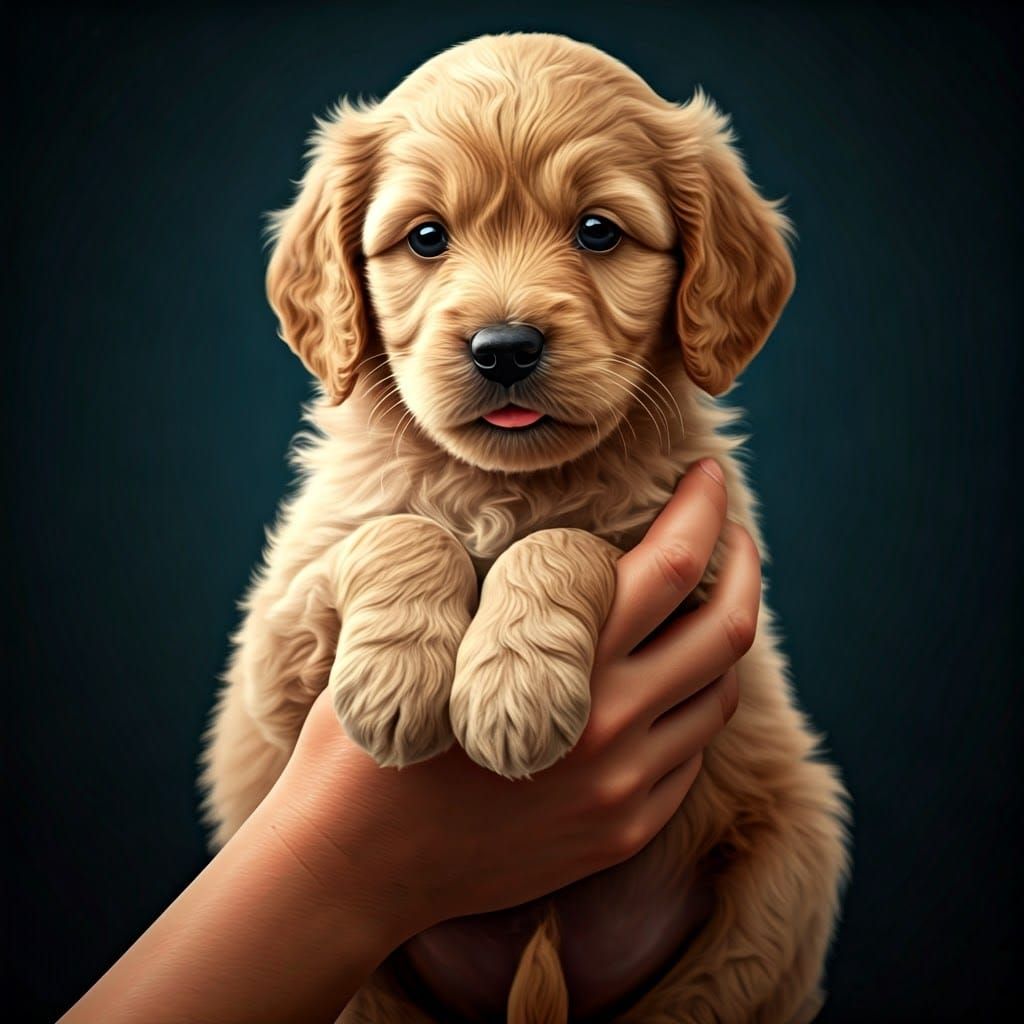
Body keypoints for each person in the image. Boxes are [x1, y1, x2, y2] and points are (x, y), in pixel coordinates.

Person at [61, 459, 760, 1024]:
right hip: (379, 990)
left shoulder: (663, 459)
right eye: (426, 269)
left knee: (800, 840)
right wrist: (397, 562)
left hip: (685, 960)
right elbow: (274, 704)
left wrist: (562, 569)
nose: (504, 328)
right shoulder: (361, 471)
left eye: (603, 269)